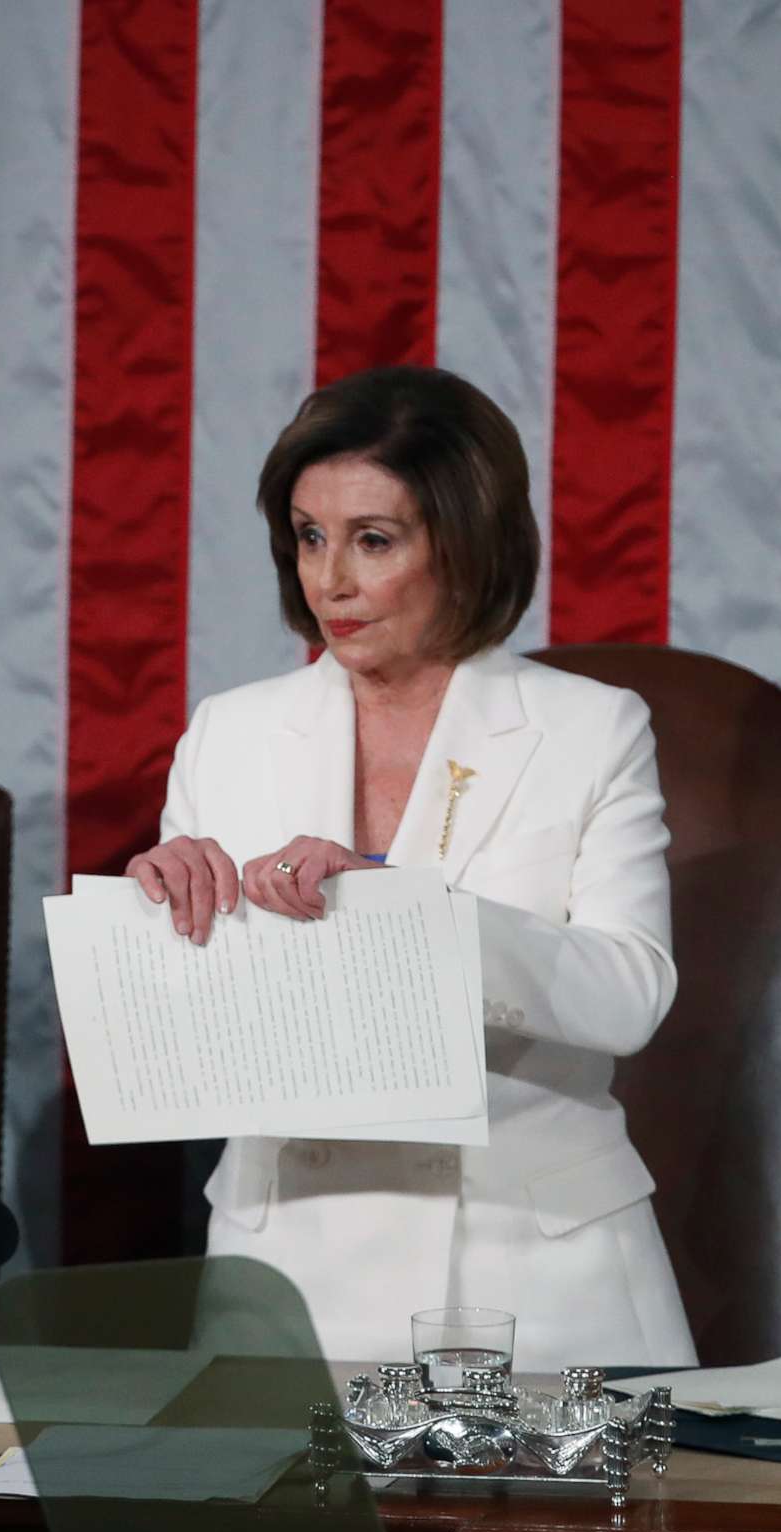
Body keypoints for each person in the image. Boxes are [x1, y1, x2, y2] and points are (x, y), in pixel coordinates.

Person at [127, 366, 696, 1372]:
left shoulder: (588, 727)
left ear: (466, 546)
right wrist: (170, 922)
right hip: (289, 1277)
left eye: (373, 540)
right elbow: (197, 1044)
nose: (330, 579)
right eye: (309, 536)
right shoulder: (230, 733)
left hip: (537, 1277)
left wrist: (408, 917)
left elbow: (630, 998)